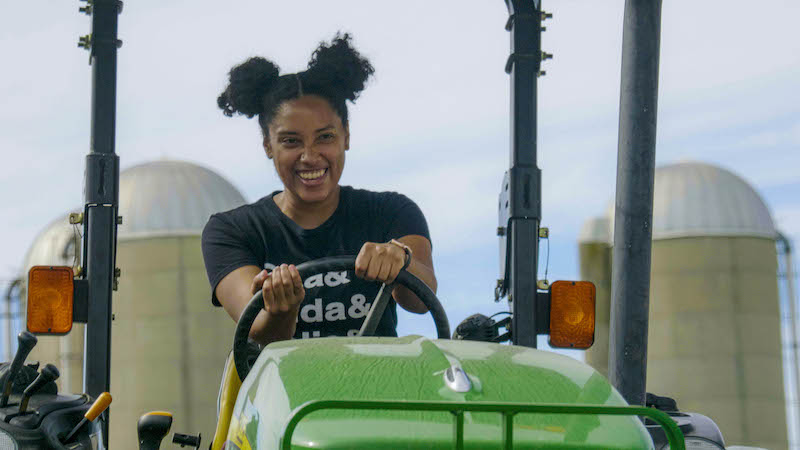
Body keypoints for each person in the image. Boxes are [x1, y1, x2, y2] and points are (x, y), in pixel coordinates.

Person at [201, 34, 437, 345]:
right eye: (291, 141)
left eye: (325, 137)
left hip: (379, 387)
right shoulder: (231, 230)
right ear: (267, 145)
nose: (310, 156)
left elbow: (421, 301)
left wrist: (401, 261)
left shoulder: (393, 212)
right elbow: (259, 331)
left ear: (346, 137)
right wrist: (281, 309)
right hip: (285, 393)